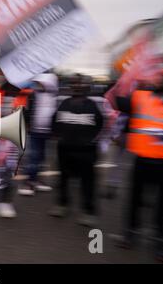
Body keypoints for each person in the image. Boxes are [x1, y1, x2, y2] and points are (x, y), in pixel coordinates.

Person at [113, 70, 163, 263]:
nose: (158, 80)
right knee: (135, 200)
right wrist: (125, 78)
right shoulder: (141, 96)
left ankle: (161, 242)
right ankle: (130, 233)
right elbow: (116, 100)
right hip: (142, 161)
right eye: (160, 77)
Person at [48, 74, 104, 228]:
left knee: (88, 182)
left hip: (86, 152)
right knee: (63, 179)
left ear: (87, 87)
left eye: (80, 84)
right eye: (74, 83)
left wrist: (90, 141)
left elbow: (100, 125)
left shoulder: (93, 105)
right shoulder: (64, 103)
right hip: (65, 149)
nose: (77, 86)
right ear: (70, 86)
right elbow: (54, 122)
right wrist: (58, 137)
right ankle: (62, 204)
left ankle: (88, 211)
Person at [19, 72, 58, 196]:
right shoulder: (34, 96)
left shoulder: (54, 97)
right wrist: (27, 125)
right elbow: (26, 111)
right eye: (38, 83)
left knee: (42, 157)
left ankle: (36, 180)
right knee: (33, 157)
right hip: (35, 131)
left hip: (48, 132)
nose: (39, 85)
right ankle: (29, 182)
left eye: (42, 83)